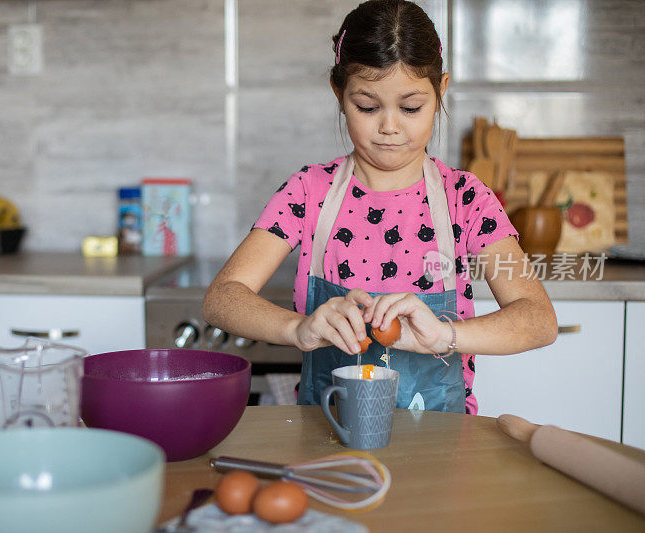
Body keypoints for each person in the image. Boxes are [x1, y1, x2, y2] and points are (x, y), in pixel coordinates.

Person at [203, 0, 557, 414]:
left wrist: (445, 336)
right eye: (368, 107)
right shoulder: (307, 192)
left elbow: (538, 320)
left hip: (441, 445)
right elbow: (222, 298)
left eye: (410, 108)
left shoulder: (465, 198)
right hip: (325, 435)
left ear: (441, 91)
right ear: (339, 93)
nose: (389, 126)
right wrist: (298, 328)